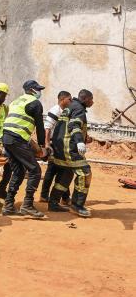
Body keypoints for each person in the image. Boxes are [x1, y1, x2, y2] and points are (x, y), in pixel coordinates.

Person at [2, 80, 46, 218]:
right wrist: (42, 147)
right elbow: (39, 126)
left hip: (7, 138)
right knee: (35, 170)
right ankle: (27, 205)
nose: (40, 92)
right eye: (38, 89)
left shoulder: (16, 101)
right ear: (32, 90)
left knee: (19, 171)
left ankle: (8, 205)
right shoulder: (35, 103)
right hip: (17, 139)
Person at [49, 89, 94, 217]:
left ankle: (53, 203)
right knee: (85, 173)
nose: (92, 102)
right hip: (69, 148)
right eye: (91, 99)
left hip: (59, 148)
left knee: (66, 173)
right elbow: (74, 125)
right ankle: (77, 205)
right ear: (85, 99)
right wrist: (79, 141)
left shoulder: (70, 107)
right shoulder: (78, 108)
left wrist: (84, 138)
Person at [39, 91, 72, 203]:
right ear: (62, 99)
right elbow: (47, 128)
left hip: (61, 145)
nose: (71, 101)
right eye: (69, 99)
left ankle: (63, 197)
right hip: (54, 145)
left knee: (59, 169)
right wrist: (47, 145)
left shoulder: (66, 111)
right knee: (57, 170)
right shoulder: (55, 110)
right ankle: (64, 197)